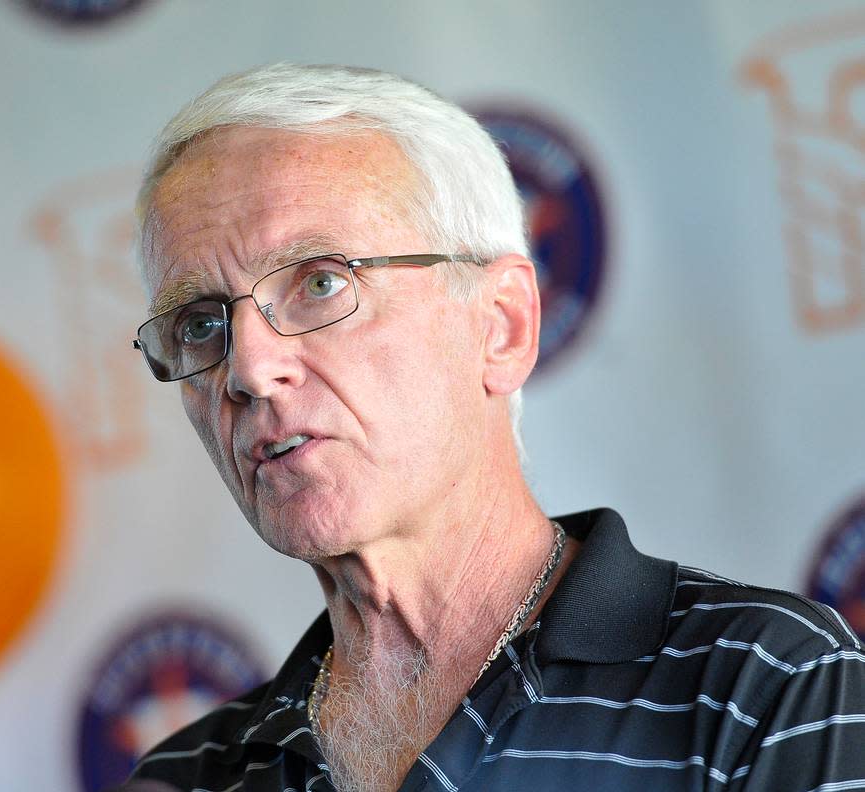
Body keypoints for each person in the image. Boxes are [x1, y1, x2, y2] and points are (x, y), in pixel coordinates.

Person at [126, 63, 865, 791]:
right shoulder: (183, 778)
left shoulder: (768, 687)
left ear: (501, 326)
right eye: (199, 324)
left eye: (320, 283)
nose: (250, 370)